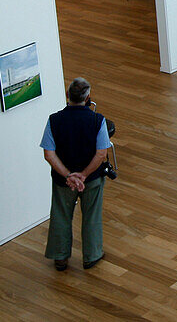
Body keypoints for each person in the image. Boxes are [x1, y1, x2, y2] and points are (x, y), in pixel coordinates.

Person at [41, 78, 111, 271]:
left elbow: (49, 153)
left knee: (60, 215)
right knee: (91, 216)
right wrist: (83, 175)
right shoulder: (98, 120)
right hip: (92, 179)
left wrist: (68, 176)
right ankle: (91, 255)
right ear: (88, 98)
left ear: (67, 96)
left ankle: (60, 257)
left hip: (63, 181)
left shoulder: (54, 120)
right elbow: (101, 153)